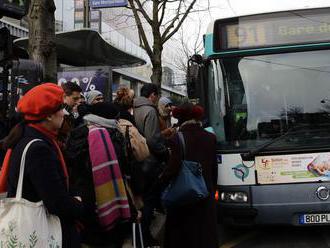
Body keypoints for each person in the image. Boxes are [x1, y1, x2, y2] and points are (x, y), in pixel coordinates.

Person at [0, 83, 85, 248]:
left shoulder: (25, 136)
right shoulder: (39, 148)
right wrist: (78, 204)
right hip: (46, 232)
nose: (64, 113)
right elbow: (56, 202)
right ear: (48, 116)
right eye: (61, 108)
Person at [67, 102, 139, 247]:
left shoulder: (77, 134)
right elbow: (119, 176)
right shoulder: (111, 136)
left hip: (84, 204)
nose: (118, 122)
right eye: (116, 119)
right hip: (108, 202)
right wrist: (132, 210)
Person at [160, 103, 218, 248]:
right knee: (204, 235)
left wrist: (159, 185)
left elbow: (172, 169)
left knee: (183, 236)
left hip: (183, 196)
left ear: (179, 119)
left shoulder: (177, 139)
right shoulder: (211, 137)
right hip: (205, 193)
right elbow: (214, 168)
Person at [133, 83, 169, 246]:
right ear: (152, 95)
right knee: (150, 200)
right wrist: (165, 152)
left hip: (136, 161)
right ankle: (146, 235)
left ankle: (140, 235)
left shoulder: (134, 108)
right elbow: (153, 140)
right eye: (157, 96)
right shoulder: (150, 111)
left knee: (140, 201)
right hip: (150, 161)